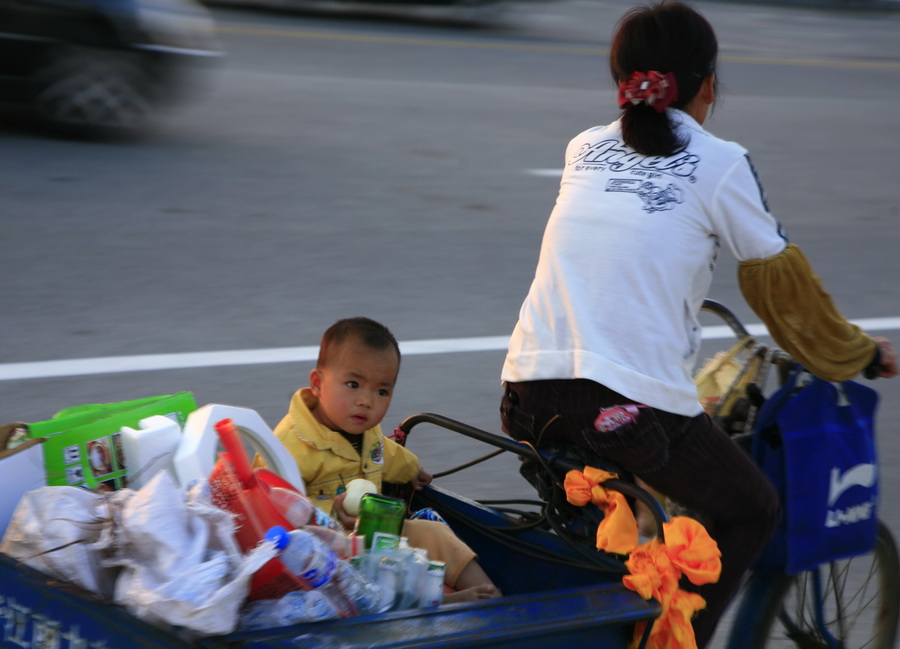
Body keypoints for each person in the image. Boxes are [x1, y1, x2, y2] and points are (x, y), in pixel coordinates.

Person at [498, 2, 898, 646]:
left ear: (622, 83)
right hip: (623, 407)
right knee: (751, 508)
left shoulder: (584, 147)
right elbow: (784, 289)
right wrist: (853, 355)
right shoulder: (720, 163)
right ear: (708, 85)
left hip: (525, 395)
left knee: (630, 522)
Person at [262, 316, 500, 603]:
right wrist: (336, 516)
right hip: (328, 548)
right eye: (353, 384)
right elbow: (272, 509)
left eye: (382, 391)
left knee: (431, 532)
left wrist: (413, 469)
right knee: (365, 574)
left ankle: (493, 595)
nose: (367, 400)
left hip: (379, 531)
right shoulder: (287, 446)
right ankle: (450, 601)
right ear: (317, 383)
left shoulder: (366, 431)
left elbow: (386, 453)